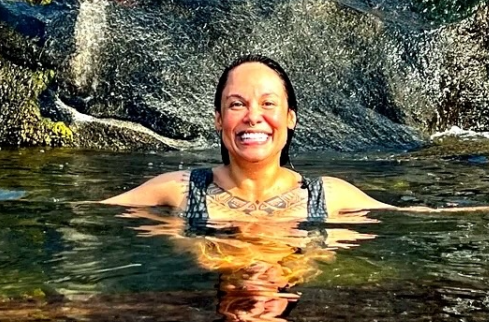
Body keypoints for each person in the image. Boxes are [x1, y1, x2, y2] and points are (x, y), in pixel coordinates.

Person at [100, 56, 390, 224]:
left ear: (291, 118)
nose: (253, 117)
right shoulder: (177, 191)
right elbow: (88, 212)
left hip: (284, 316)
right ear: (218, 119)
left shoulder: (328, 196)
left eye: (268, 104)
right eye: (237, 104)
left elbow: (418, 217)